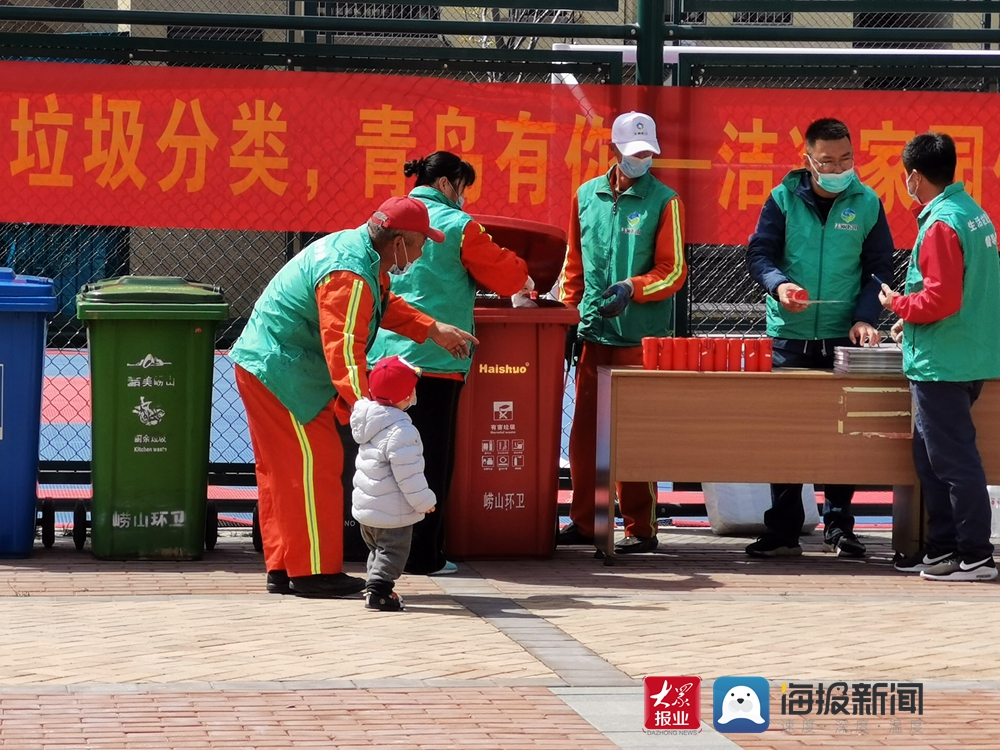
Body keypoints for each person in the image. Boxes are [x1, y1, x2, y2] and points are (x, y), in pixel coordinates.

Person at [230, 196, 477, 598]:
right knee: (315, 465)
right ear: (398, 240)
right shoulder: (349, 274)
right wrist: (371, 410)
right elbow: (344, 349)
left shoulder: (360, 255)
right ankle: (312, 574)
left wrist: (433, 329)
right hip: (281, 372)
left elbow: (383, 306)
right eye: (417, 245)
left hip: (270, 366)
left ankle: (284, 567)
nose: (418, 254)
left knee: (282, 473)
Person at [367, 152, 530, 576]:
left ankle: (374, 550)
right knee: (427, 460)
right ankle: (423, 555)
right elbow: (508, 277)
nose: (463, 197)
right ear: (445, 184)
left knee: (378, 458)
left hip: (381, 356)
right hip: (435, 361)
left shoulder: (389, 218)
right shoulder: (459, 226)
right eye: (463, 186)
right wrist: (526, 274)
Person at [745, 117, 895, 560]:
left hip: (843, 340)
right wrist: (779, 285)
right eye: (827, 160)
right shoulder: (782, 199)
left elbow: (879, 268)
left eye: (846, 157)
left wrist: (866, 317)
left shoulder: (867, 202)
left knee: (843, 433)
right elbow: (759, 253)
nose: (838, 166)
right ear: (807, 158)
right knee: (785, 433)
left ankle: (839, 525)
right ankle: (785, 527)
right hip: (789, 336)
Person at [556, 111, 687, 555]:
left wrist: (634, 287)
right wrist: (569, 318)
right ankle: (587, 522)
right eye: (634, 153)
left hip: (642, 339)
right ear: (613, 151)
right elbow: (573, 266)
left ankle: (640, 529)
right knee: (585, 436)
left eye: (649, 153)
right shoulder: (585, 196)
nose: (643, 160)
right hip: (595, 335)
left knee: (633, 437)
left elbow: (674, 273)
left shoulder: (666, 201)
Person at [883, 133, 1000, 582]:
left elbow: (938, 300)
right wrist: (908, 319)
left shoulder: (940, 224)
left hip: (943, 362)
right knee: (933, 457)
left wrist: (898, 304)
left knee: (952, 461)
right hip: (964, 355)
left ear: (914, 177)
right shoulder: (973, 214)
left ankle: (974, 556)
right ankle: (943, 550)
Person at [351, 356, 437, 611]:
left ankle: (374, 586)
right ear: (406, 395)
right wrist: (425, 502)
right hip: (392, 511)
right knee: (393, 552)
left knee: (377, 550)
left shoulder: (369, 422)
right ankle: (379, 592)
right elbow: (408, 474)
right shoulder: (401, 430)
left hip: (368, 510)